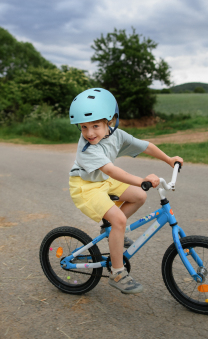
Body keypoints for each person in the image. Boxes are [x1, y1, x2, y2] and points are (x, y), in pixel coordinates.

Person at [68, 88, 183, 294]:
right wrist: (142, 180)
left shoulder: (116, 135)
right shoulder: (88, 148)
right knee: (120, 220)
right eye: (84, 127)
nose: (90, 133)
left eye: (95, 125)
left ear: (110, 122)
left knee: (139, 196)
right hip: (85, 187)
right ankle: (117, 272)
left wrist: (168, 159)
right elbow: (113, 170)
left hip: (103, 180)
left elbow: (145, 146)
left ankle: (109, 230)